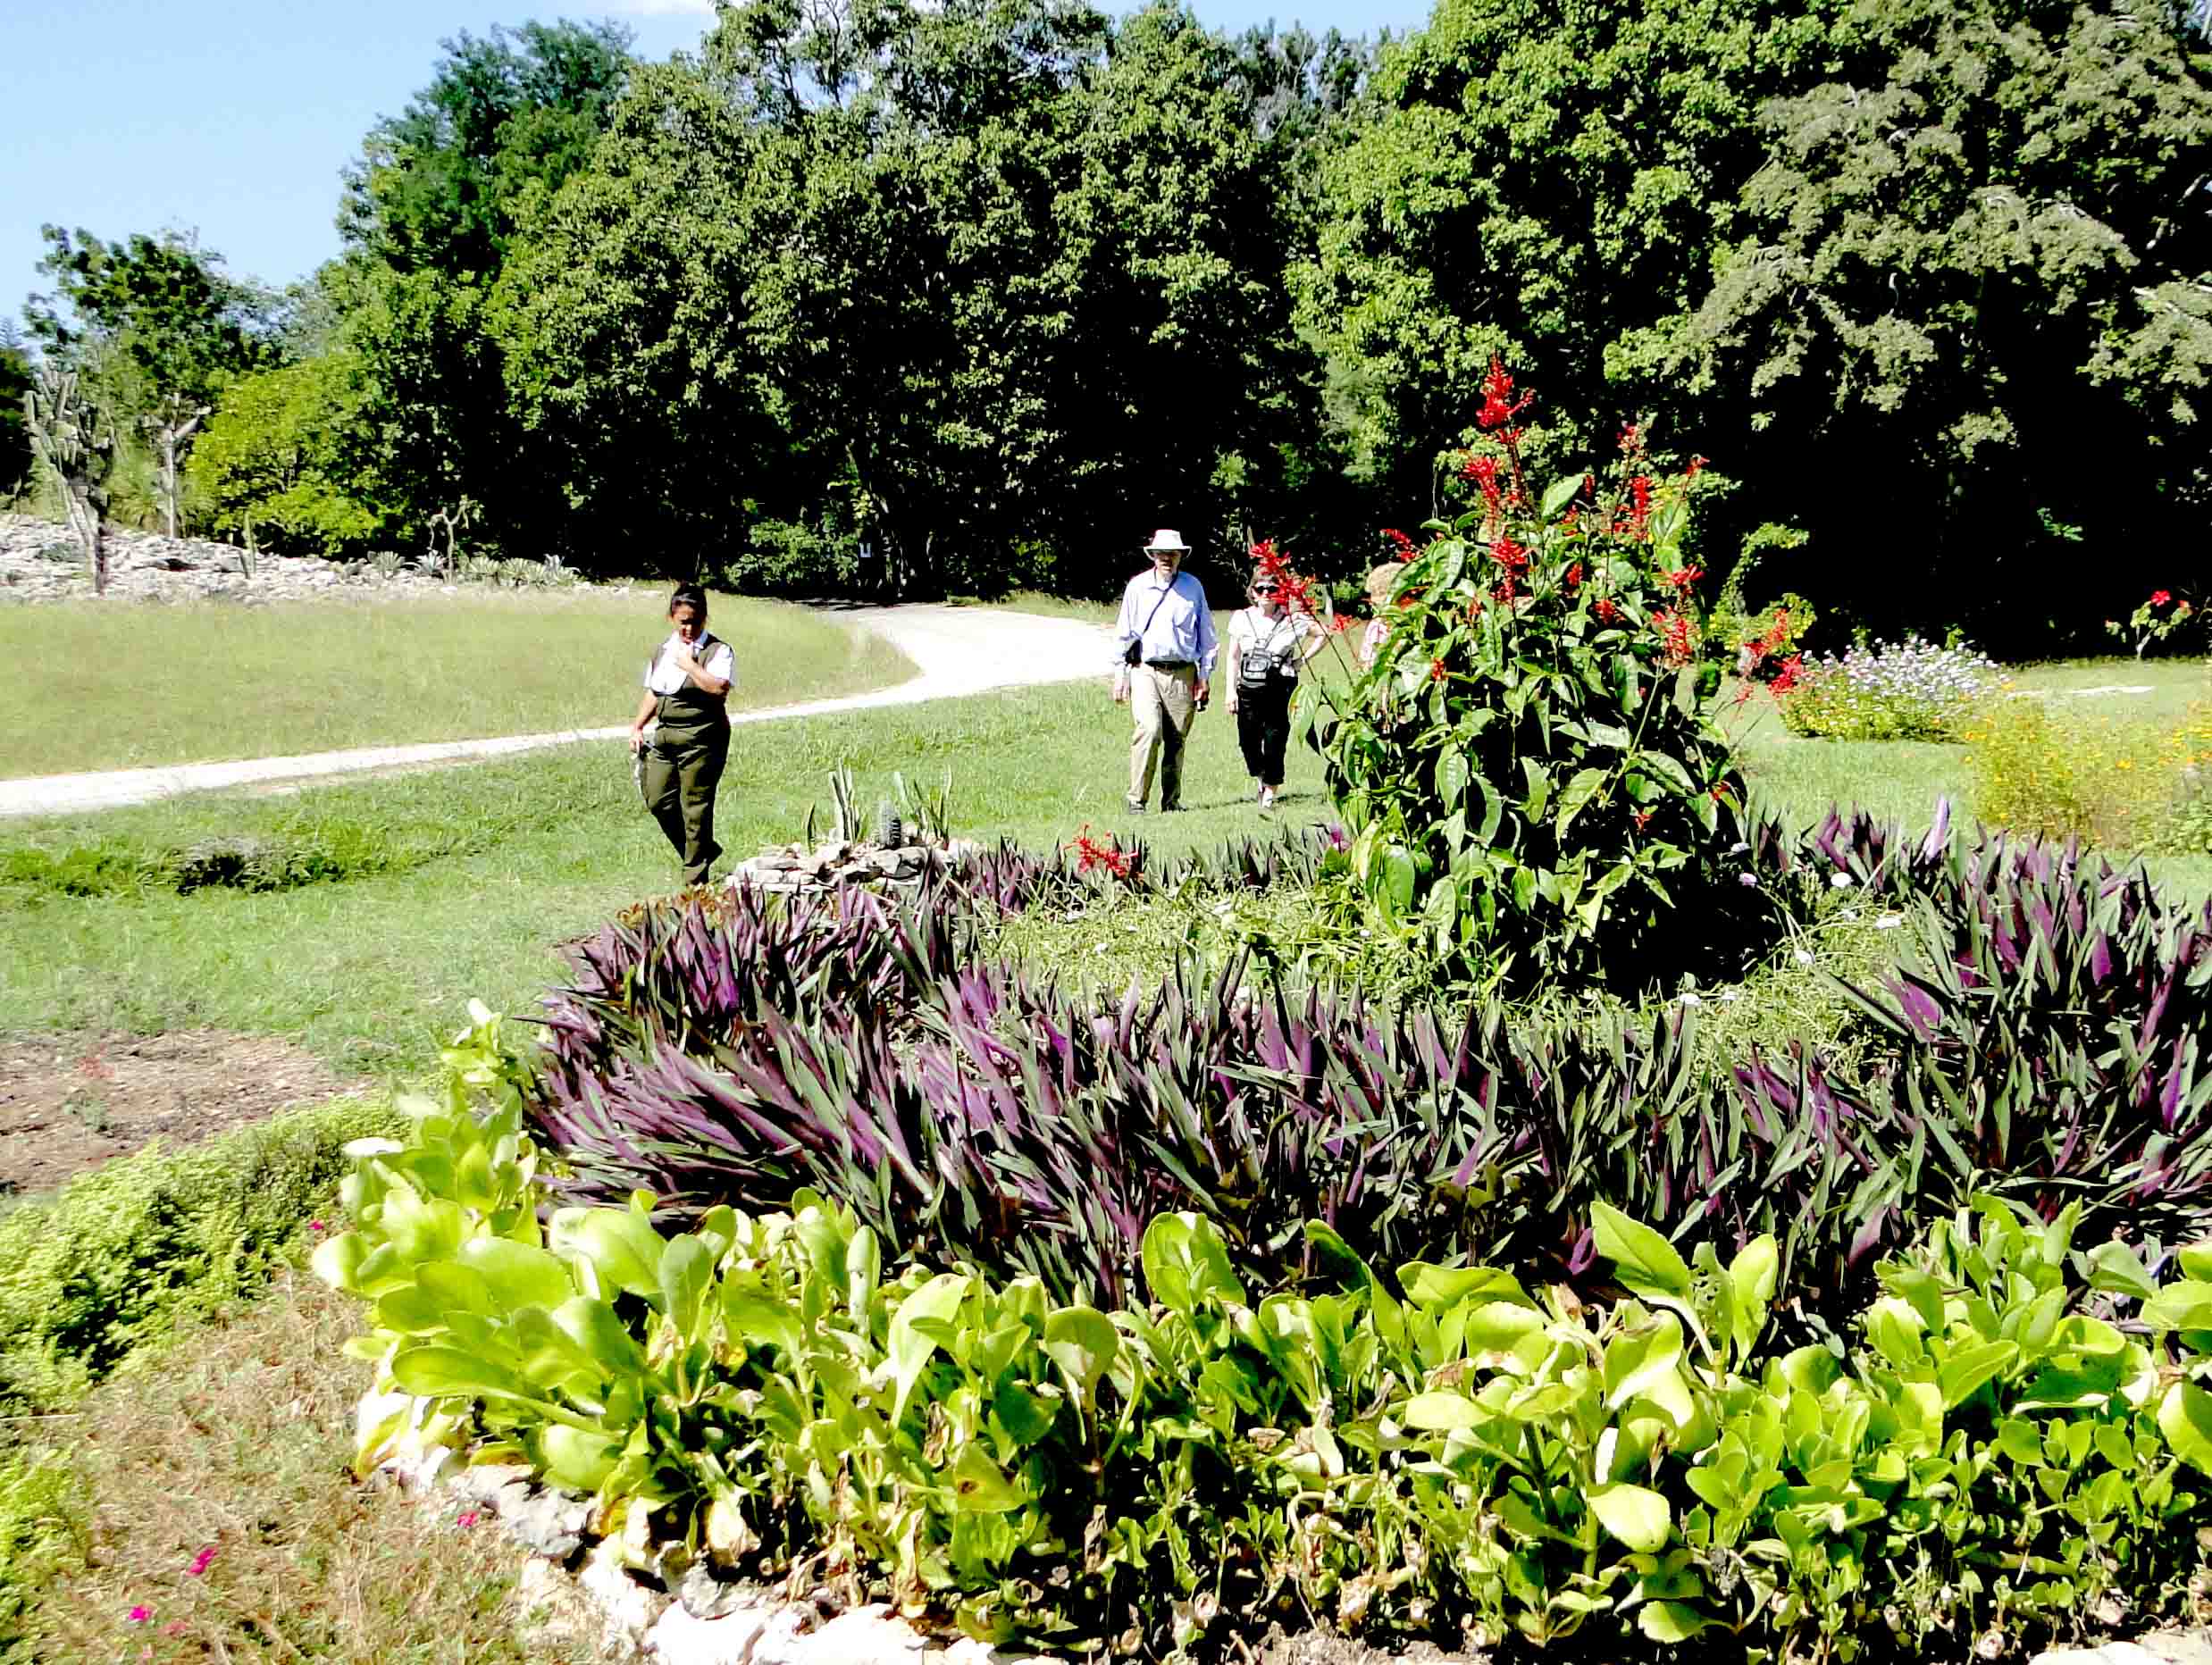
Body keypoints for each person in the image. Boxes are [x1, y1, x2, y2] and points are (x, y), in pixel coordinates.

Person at [628, 582, 735, 886]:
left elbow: (719, 688)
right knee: (658, 800)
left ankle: (695, 884)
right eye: (683, 621)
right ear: (671, 618)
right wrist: (638, 726)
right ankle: (702, 851)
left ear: (705, 618)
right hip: (665, 736)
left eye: (695, 621)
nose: (689, 628)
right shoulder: (663, 650)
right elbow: (654, 692)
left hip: (702, 738)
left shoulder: (718, 650)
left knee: (695, 808)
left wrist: (690, 665)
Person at [1110, 530, 1218, 813]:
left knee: (1177, 739)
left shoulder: (1193, 587)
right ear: (1153, 556)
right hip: (1145, 669)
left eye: (1172, 554)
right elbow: (1123, 633)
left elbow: (1207, 636)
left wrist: (1204, 676)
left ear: (1181, 556)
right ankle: (1136, 800)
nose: (1167, 558)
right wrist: (1120, 675)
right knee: (1149, 729)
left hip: (1183, 672)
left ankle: (1171, 802)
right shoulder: (1137, 587)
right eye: (1161, 554)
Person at [1225, 564, 1323, 808]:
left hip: (1281, 686)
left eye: (1272, 588)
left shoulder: (1293, 620)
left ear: (1281, 591)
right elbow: (1233, 656)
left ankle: (1270, 790)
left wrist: (1301, 661)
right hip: (1248, 687)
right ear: (1253, 592)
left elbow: (1324, 633)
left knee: (1275, 740)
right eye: (1261, 589)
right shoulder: (1241, 618)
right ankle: (1261, 776)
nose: (1266, 593)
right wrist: (1229, 691)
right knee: (1248, 740)